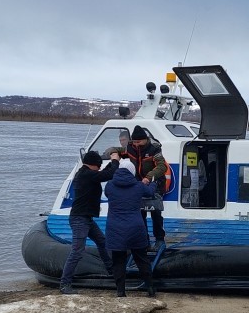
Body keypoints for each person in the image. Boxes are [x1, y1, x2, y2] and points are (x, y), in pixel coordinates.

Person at [59, 149, 120, 295]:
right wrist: (115, 160)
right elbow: (109, 174)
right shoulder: (86, 174)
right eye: (98, 165)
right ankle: (64, 283)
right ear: (92, 165)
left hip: (85, 218)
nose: (99, 168)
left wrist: (111, 163)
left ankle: (111, 270)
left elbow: (102, 174)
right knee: (77, 251)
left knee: (102, 241)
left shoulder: (86, 173)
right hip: (80, 219)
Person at [105, 158, 158, 297]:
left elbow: (107, 194)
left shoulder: (110, 185)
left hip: (115, 228)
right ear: (132, 172)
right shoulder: (138, 186)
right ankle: (150, 288)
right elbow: (150, 192)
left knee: (118, 260)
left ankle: (121, 292)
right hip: (135, 227)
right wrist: (153, 183)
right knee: (141, 258)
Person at [125, 125, 169, 250]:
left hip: (155, 183)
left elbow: (162, 167)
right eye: (134, 142)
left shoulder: (154, 149)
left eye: (138, 142)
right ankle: (144, 240)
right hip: (139, 185)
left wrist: (149, 177)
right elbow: (120, 150)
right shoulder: (130, 147)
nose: (136, 144)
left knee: (156, 213)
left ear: (145, 140)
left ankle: (160, 239)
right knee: (140, 213)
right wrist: (112, 151)